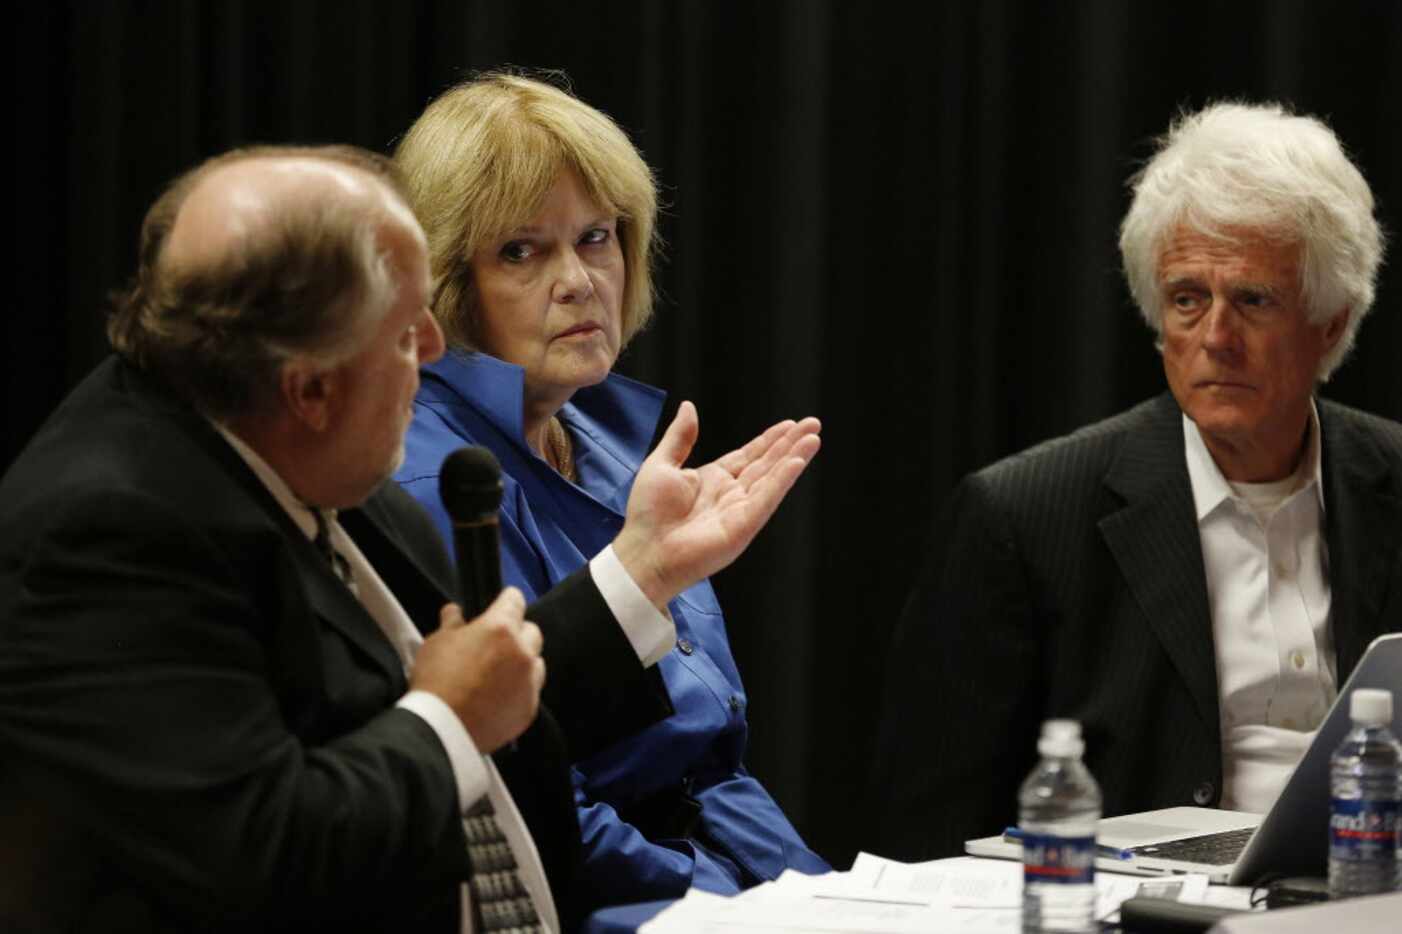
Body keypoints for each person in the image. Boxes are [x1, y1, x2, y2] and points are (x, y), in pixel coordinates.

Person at [0, 144, 820, 932]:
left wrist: (641, 574)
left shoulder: (290, 443)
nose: (434, 347)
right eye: (402, 332)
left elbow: (499, 694)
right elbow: (262, 857)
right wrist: (446, 719)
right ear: (310, 389)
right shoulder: (113, 535)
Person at [872, 101, 1402, 860]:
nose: (1215, 338)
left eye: (1252, 300)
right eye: (1188, 299)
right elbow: (927, 835)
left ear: (1332, 323)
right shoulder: (1022, 516)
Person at [391, 72, 831, 907]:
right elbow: (523, 801)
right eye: (521, 250)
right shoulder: (434, 482)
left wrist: (819, 896)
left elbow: (711, 766)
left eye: (596, 237)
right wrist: (727, 909)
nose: (578, 278)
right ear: (448, 285)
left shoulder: (615, 446)